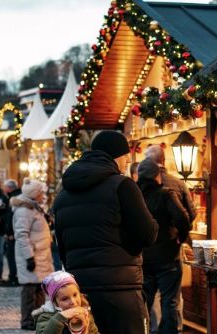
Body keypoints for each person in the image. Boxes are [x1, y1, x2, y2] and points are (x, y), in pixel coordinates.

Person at [53, 130, 158, 334]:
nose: (128, 160)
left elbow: (62, 246)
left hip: (81, 293)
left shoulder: (63, 194)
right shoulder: (123, 185)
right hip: (121, 290)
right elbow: (148, 234)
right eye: (126, 155)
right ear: (116, 155)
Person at [145, 145, 196, 333]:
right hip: (169, 252)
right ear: (163, 160)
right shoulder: (177, 184)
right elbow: (190, 215)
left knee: (147, 299)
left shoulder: (135, 191)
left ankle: (149, 330)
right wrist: (180, 237)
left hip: (146, 255)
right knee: (170, 299)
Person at [11, 178, 54, 330]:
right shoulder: (24, 210)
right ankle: (27, 321)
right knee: (29, 291)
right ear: (34, 193)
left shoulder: (34, 207)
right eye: (41, 192)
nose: (43, 195)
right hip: (32, 255)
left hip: (40, 255)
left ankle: (38, 320)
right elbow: (21, 235)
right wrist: (29, 257)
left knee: (39, 289)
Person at [32, 271, 99, 334]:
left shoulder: (85, 312)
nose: (73, 302)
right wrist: (59, 318)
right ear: (55, 303)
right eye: (65, 299)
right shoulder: (45, 316)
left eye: (75, 295)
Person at [0, 179, 21, 287]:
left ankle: (13, 277)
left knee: (11, 256)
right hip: (14, 233)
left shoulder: (14, 198)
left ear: (9, 188)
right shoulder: (15, 196)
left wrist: (10, 232)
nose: (4, 189)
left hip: (13, 234)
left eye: (5, 187)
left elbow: (13, 217)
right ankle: (14, 276)